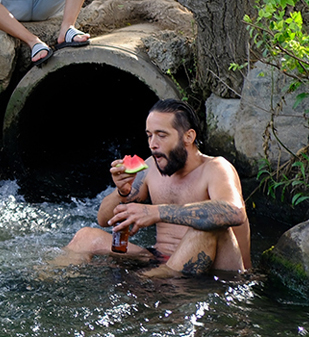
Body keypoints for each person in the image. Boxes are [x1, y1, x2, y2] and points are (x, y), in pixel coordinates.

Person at [62, 99, 251, 275]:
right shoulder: (151, 166)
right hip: (160, 259)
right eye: (149, 136)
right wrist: (122, 192)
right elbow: (103, 220)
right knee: (86, 236)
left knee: (207, 226)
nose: (153, 144)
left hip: (215, 270)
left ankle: (148, 284)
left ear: (188, 136)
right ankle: (42, 282)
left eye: (161, 135)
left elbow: (234, 212)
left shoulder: (216, 168)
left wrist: (157, 212)